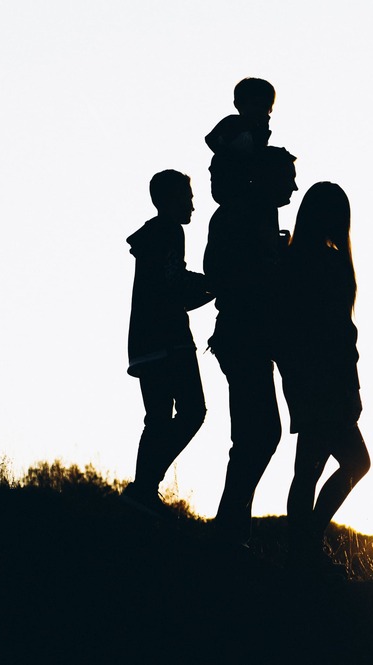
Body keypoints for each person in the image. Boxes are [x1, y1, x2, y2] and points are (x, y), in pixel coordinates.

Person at [204, 146, 298, 547]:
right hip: (242, 335)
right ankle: (229, 530)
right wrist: (270, 265)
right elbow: (218, 272)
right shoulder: (239, 214)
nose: (294, 185)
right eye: (287, 177)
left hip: (251, 335)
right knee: (258, 435)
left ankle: (232, 529)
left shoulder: (256, 214)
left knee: (255, 435)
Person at [279, 182, 370, 570]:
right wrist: (352, 387)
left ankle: (301, 548)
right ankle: (307, 542)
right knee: (355, 463)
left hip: (302, 377)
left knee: (308, 469)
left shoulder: (291, 260)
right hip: (328, 380)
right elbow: (339, 334)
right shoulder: (330, 264)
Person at [123, 170, 213, 517]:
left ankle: (142, 490)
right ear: (167, 201)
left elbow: (170, 286)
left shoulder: (153, 237)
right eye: (185, 197)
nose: (192, 204)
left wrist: (208, 287)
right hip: (170, 340)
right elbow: (175, 287)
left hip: (145, 342)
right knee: (193, 412)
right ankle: (144, 485)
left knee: (157, 419)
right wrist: (217, 285)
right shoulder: (170, 233)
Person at [205, 77, 276, 208]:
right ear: (239, 104)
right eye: (255, 104)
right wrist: (226, 154)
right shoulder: (233, 122)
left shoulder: (259, 130)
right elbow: (210, 138)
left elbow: (259, 150)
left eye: (265, 107)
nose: (260, 110)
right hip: (229, 178)